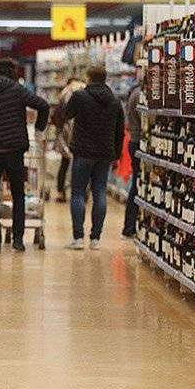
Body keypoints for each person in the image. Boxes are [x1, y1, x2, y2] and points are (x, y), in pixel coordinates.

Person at [0, 59, 50, 253]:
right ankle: (18, 240)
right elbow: (43, 105)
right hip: (14, 150)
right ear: (12, 71)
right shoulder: (17, 90)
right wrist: (39, 128)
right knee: (18, 195)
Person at [62, 65, 125, 250]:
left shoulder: (80, 96)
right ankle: (96, 238)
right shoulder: (114, 101)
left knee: (78, 193)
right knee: (100, 192)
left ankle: (78, 238)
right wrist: (116, 154)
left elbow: (66, 114)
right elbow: (120, 130)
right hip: (104, 153)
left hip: (82, 151)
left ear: (88, 78)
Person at [50, 77, 86, 202]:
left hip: (65, 134)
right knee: (82, 166)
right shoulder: (85, 91)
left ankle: (61, 192)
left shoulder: (64, 93)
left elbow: (57, 116)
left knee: (64, 164)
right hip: (82, 135)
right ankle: (82, 192)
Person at [121, 71, 145, 238]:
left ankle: (131, 226)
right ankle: (129, 227)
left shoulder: (134, 92)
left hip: (134, 141)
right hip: (138, 142)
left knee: (137, 183)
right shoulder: (139, 95)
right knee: (136, 185)